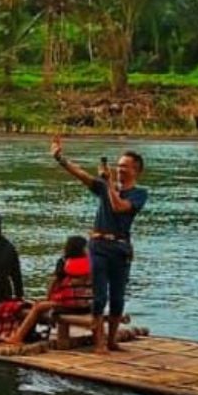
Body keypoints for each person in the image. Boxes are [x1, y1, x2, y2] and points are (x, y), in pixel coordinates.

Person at [49, 135, 149, 354]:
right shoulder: (106, 186)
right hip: (99, 247)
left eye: (125, 167)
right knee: (100, 296)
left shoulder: (139, 194)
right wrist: (61, 159)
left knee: (117, 297)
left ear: (136, 171)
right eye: (118, 166)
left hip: (120, 247)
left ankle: (112, 340)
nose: (119, 170)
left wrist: (110, 183)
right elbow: (82, 176)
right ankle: (99, 343)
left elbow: (119, 207)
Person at [3, 236, 93, 344]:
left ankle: (18, 337)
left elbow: (53, 283)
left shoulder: (63, 262)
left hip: (68, 306)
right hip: (87, 307)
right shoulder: (91, 264)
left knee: (37, 307)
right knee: (43, 304)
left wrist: (48, 298)